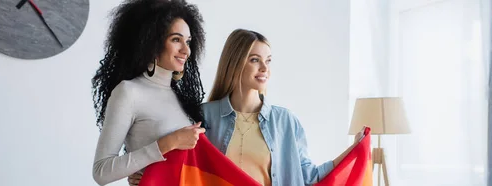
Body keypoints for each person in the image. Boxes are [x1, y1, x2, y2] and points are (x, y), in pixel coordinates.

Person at [128, 29, 362, 186]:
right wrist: (141, 170)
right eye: (254, 60)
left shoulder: (285, 122)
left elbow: (309, 177)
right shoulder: (202, 117)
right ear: (236, 62)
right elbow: (176, 161)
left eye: (268, 60)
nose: (264, 68)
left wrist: (356, 150)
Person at [91, 0, 207, 185]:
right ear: (152, 42)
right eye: (176, 39)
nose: (186, 50)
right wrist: (168, 143)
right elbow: (101, 171)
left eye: (188, 41)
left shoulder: (182, 98)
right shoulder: (129, 92)